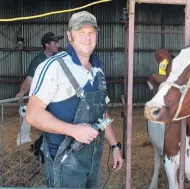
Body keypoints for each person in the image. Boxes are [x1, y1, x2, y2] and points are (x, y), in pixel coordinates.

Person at [26, 11, 123, 188]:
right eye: (81, 33)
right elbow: (32, 114)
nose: (87, 38)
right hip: (63, 163)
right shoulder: (53, 66)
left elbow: (102, 113)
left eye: (91, 33)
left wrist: (115, 146)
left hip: (93, 161)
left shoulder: (98, 71)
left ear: (96, 36)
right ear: (70, 36)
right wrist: (73, 130)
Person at [15, 32, 63, 98]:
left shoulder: (61, 58)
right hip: (44, 99)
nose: (58, 45)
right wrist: (22, 92)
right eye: (55, 43)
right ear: (47, 45)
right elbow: (29, 80)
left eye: (58, 42)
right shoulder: (37, 61)